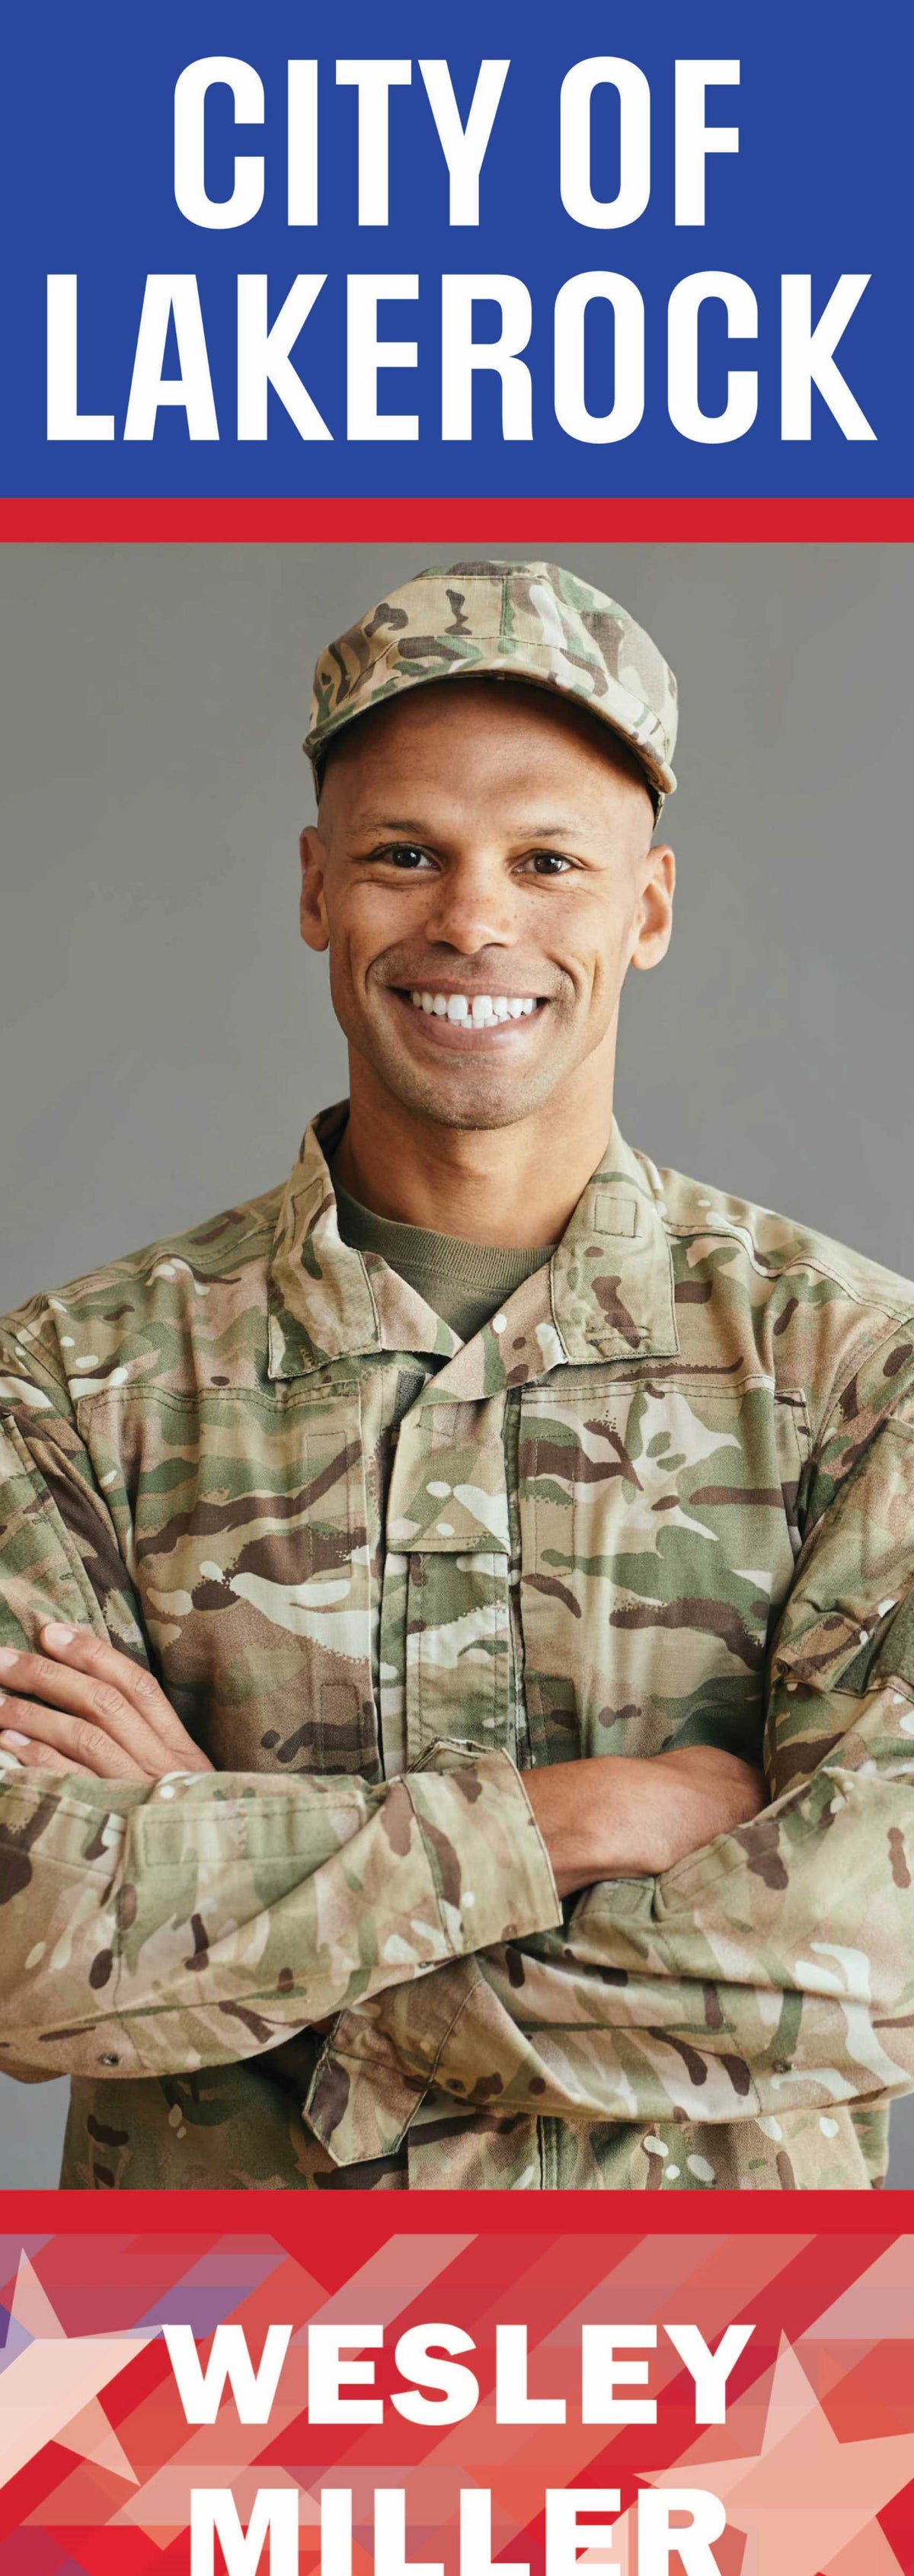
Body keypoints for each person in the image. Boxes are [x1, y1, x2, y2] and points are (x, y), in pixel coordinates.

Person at [1, 556, 912, 2195]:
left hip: (721, 2344)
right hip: (212, 2345)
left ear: (648, 909)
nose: (474, 921)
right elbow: (23, 1941)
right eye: (405, 854)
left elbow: (874, 1945)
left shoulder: (855, 1374)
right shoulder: (75, 1384)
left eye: (547, 860)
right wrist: (571, 1820)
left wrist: (239, 1907)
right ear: (315, 889)